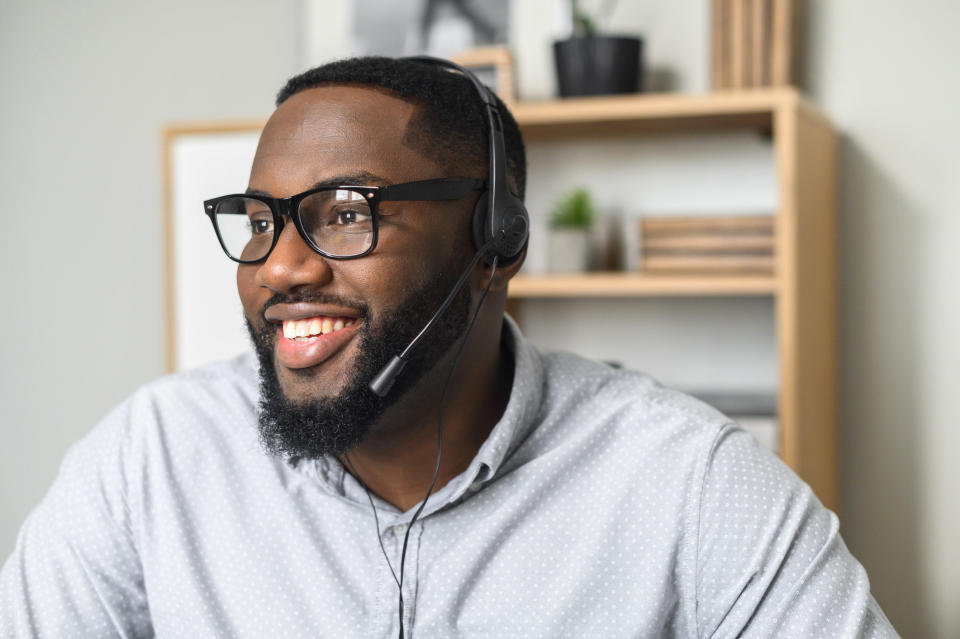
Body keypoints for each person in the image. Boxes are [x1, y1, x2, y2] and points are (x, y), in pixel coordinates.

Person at [0, 56, 897, 638]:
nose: (280, 269)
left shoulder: (693, 485)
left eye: (348, 214)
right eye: (263, 222)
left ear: (496, 243)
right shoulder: (148, 460)